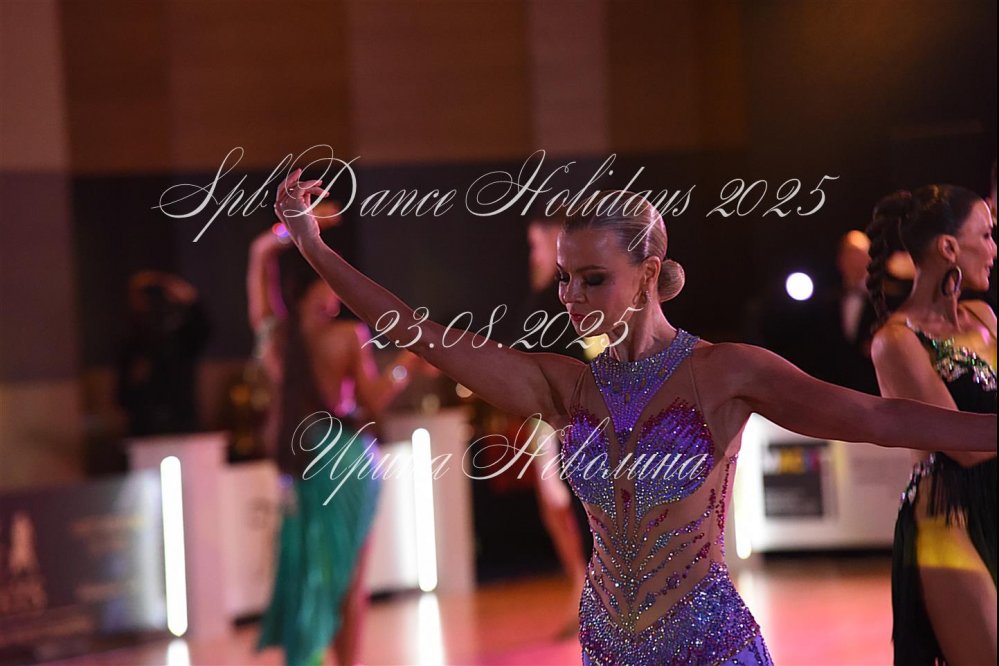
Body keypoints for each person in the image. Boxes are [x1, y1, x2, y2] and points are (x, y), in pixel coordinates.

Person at [275, 170, 995, 665]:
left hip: (708, 647)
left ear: (648, 274)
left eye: (594, 279)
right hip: (607, 648)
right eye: (565, 278)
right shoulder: (564, 387)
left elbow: (876, 417)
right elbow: (417, 330)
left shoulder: (723, 372)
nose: (571, 296)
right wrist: (313, 246)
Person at [247, 219, 426, 666]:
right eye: (331, 280)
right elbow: (372, 401)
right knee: (349, 577)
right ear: (315, 287)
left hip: (300, 462)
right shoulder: (347, 337)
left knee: (308, 568)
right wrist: (408, 363)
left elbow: (258, 261)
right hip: (345, 461)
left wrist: (285, 233)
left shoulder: (278, 342)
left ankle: (309, 656)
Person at [865, 185, 997, 665]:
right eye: (986, 235)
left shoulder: (984, 317)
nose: (994, 248)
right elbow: (963, 444)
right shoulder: (896, 341)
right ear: (949, 248)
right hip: (949, 519)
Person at [118, 270, 210, 436]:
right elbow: (124, 387)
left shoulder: (179, 336)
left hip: (180, 416)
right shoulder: (132, 338)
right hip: (144, 420)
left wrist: (188, 298)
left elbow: (203, 329)